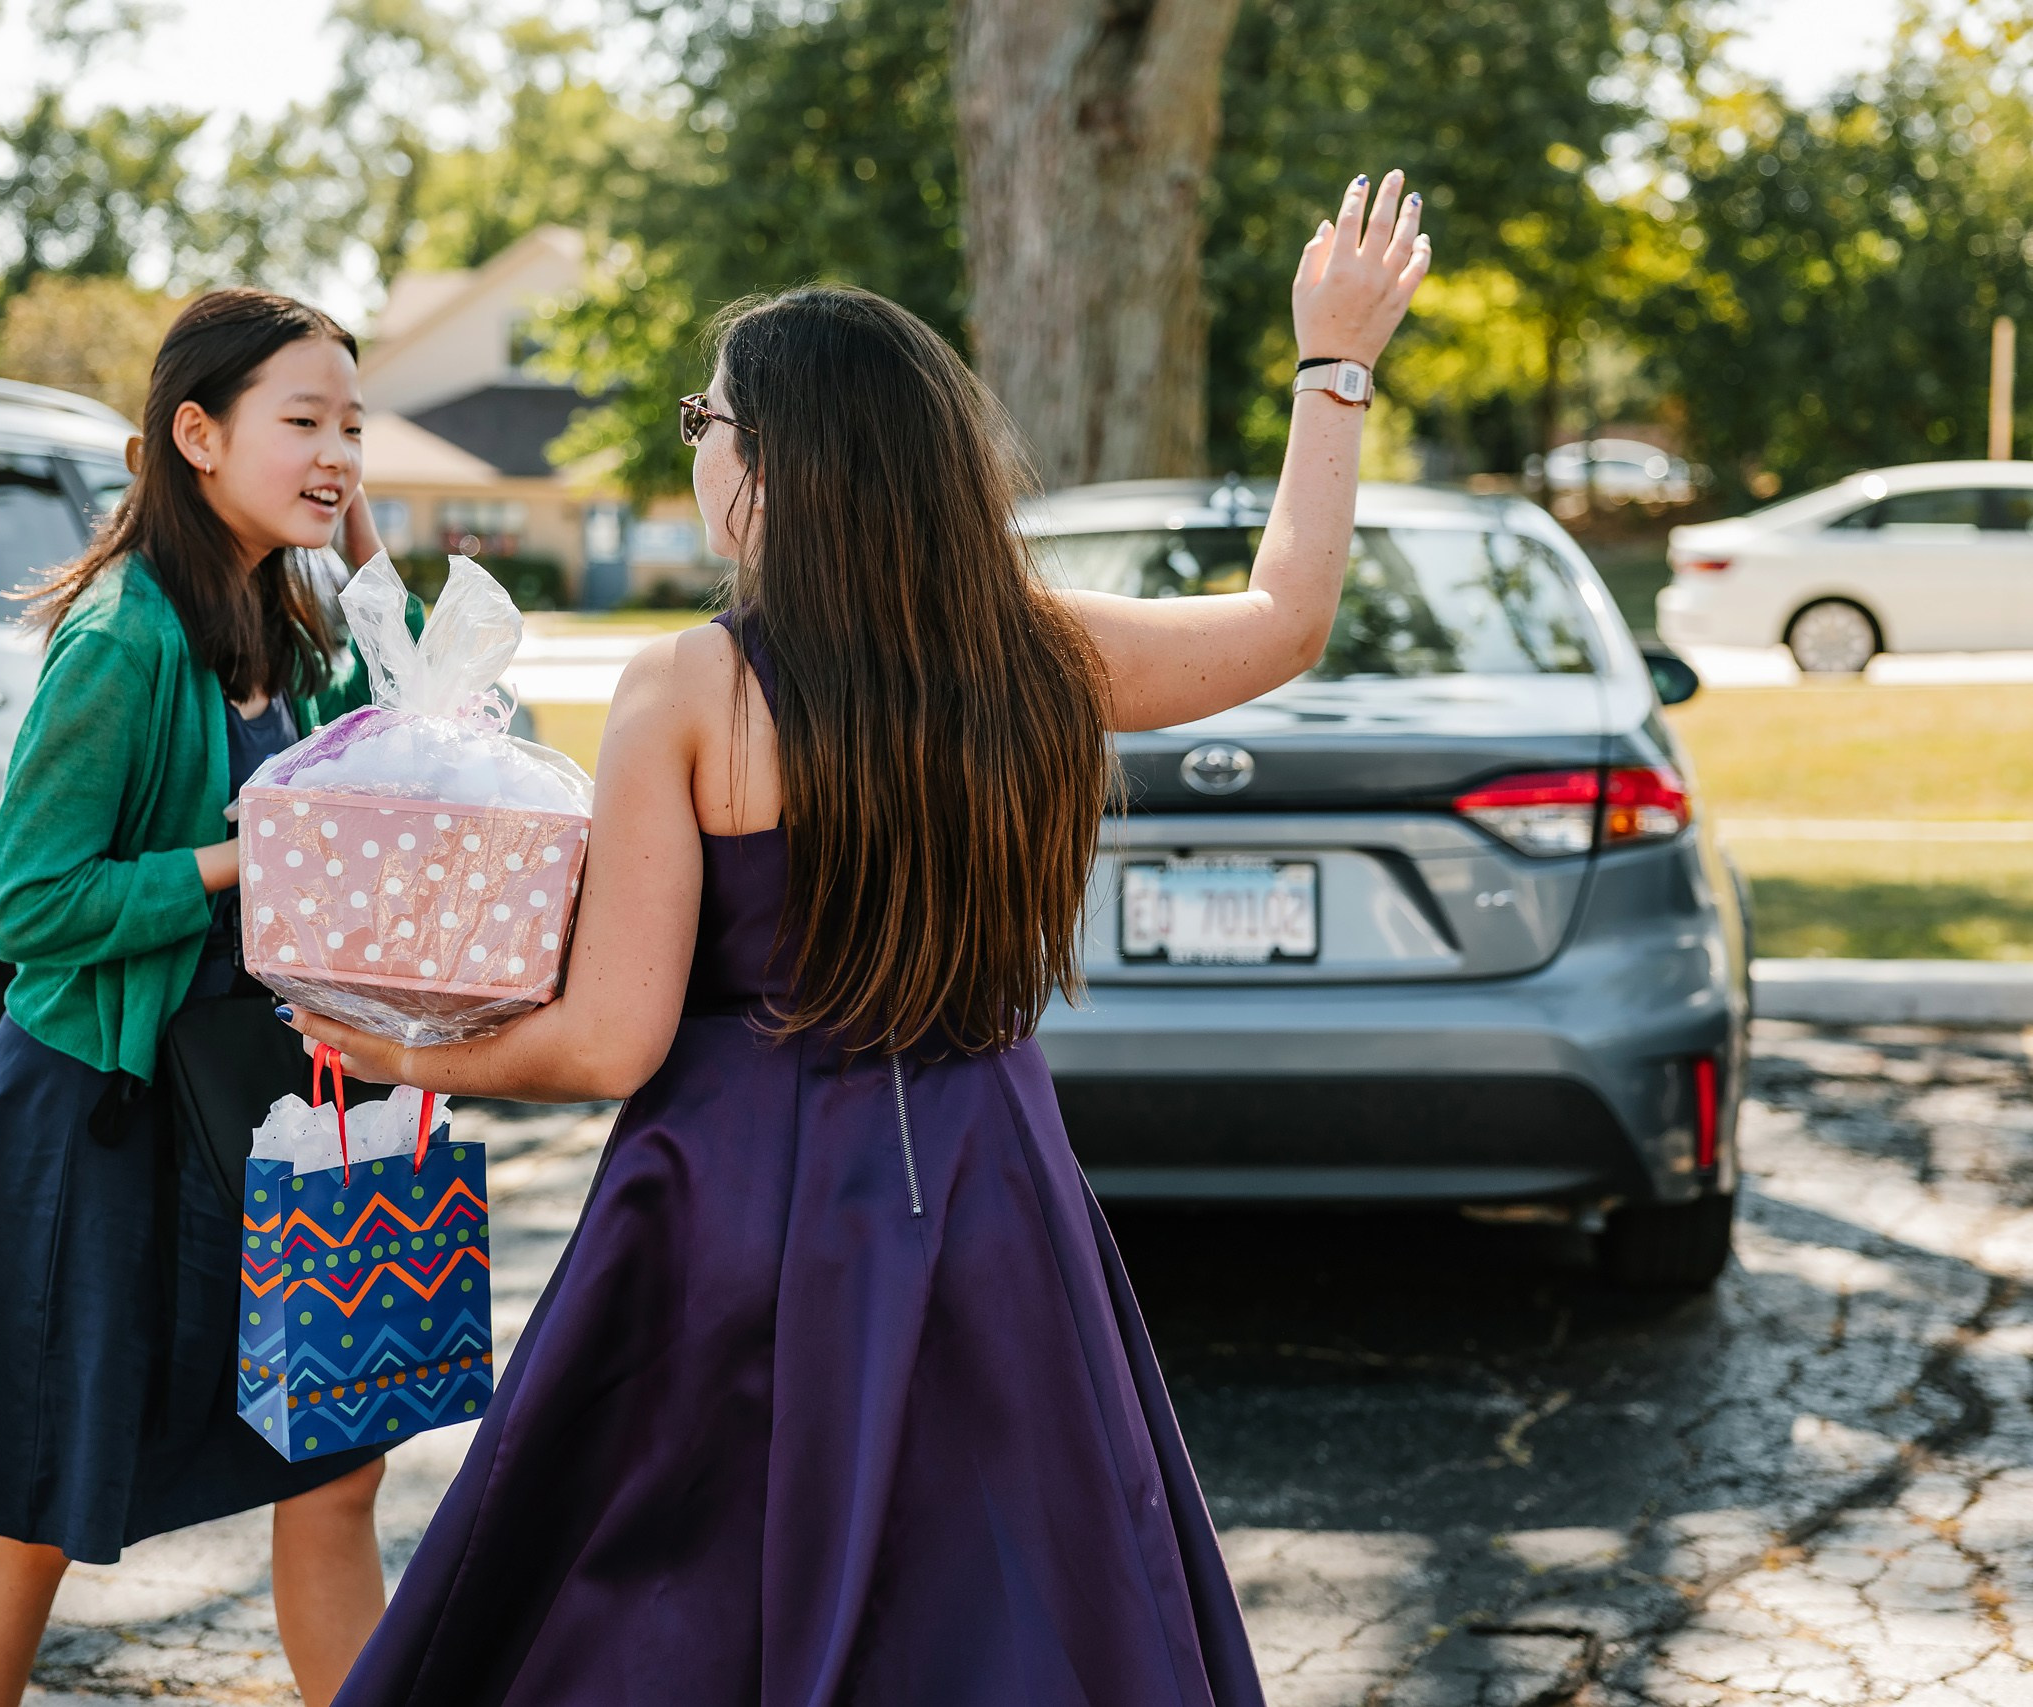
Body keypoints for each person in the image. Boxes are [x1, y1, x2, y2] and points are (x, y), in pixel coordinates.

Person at [291, 175, 1431, 1702]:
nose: (695, 450)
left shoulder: (689, 688)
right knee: (993, 1608)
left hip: (727, 1206)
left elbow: (614, 1037)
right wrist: (1332, 363)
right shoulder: (1039, 650)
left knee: (658, 1615)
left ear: (770, 463)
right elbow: (1287, 617)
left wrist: (399, 1041)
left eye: (706, 421)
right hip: (986, 1185)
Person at [0, 288, 409, 1707]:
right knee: (32, 1504)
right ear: (194, 433)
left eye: (354, 427)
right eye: (304, 422)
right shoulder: (124, 634)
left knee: (334, 1462)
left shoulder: (283, 612)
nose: (339, 453)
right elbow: (25, 906)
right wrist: (233, 854)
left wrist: (364, 549)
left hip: (256, 1116)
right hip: (101, 1125)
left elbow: (422, 711)